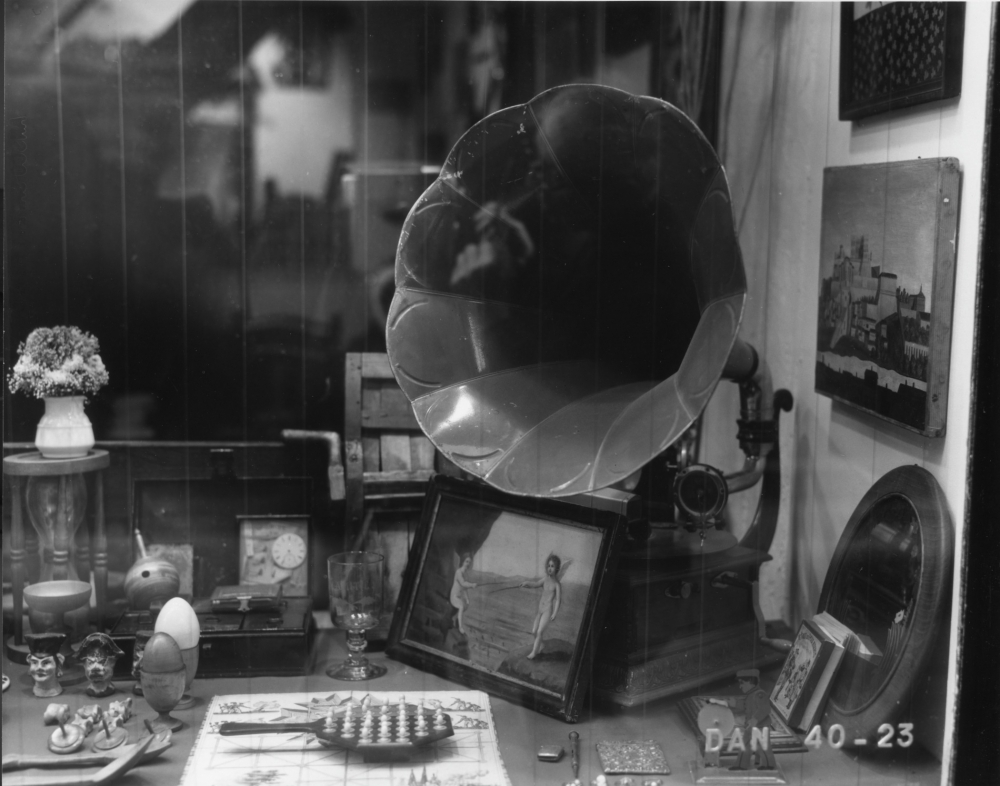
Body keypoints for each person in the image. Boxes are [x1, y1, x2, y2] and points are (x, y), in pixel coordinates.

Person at [721, 669, 777, 771]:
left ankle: (769, 765)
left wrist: (755, 719)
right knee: (745, 745)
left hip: (760, 727)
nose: (740, 686)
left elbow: (764, 709)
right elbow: (745, 706)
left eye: (742, 683)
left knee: (762, 746)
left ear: (751, 682)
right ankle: (741, 764)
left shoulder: (760, 694)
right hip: (751, 727)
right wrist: (733, 704)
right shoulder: (750, 696)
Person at [520, 554, 562, 659]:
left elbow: (558, 600)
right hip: (540, 610)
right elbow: (535, 584)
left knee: (539, 632)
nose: (550, 568)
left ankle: (534, 652)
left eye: (552, 566)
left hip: (547, 611)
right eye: (548, 565)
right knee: (534, 631)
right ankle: (541, 645)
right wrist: (526, 583)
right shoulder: (544, 580)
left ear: (556, 568)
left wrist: (554, 613)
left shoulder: (557, 584)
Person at [450, 554, 478, 635]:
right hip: (454, 596)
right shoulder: (459, 572)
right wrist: (472, 585)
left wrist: (467, 598)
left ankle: (455, 619)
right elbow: (463, 583)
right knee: (461, 606)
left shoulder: (466, 574)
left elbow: (464, 589)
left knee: (466, 605)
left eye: (469, 562)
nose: (468, 564)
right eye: (466, 561)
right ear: (463, 562)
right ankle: (460, 627)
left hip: (460, 596)